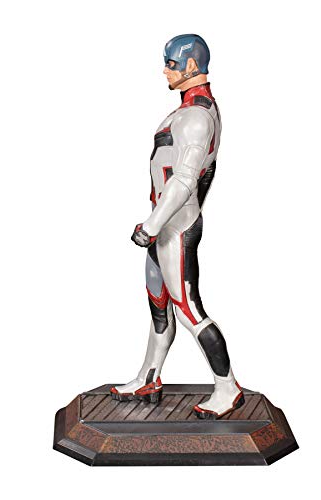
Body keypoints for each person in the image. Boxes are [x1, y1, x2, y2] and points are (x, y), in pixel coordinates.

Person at [110, 34, 244, 419]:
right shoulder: (189, 110)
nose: (165, 70)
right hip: (163, 224)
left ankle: (228, 388)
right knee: (159, 305)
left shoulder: (197, 116)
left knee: (188, 309)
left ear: (191, 66)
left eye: (171, 63)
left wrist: (152, 225)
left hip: (175, 227)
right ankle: (148, 377)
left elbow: (185, 179)